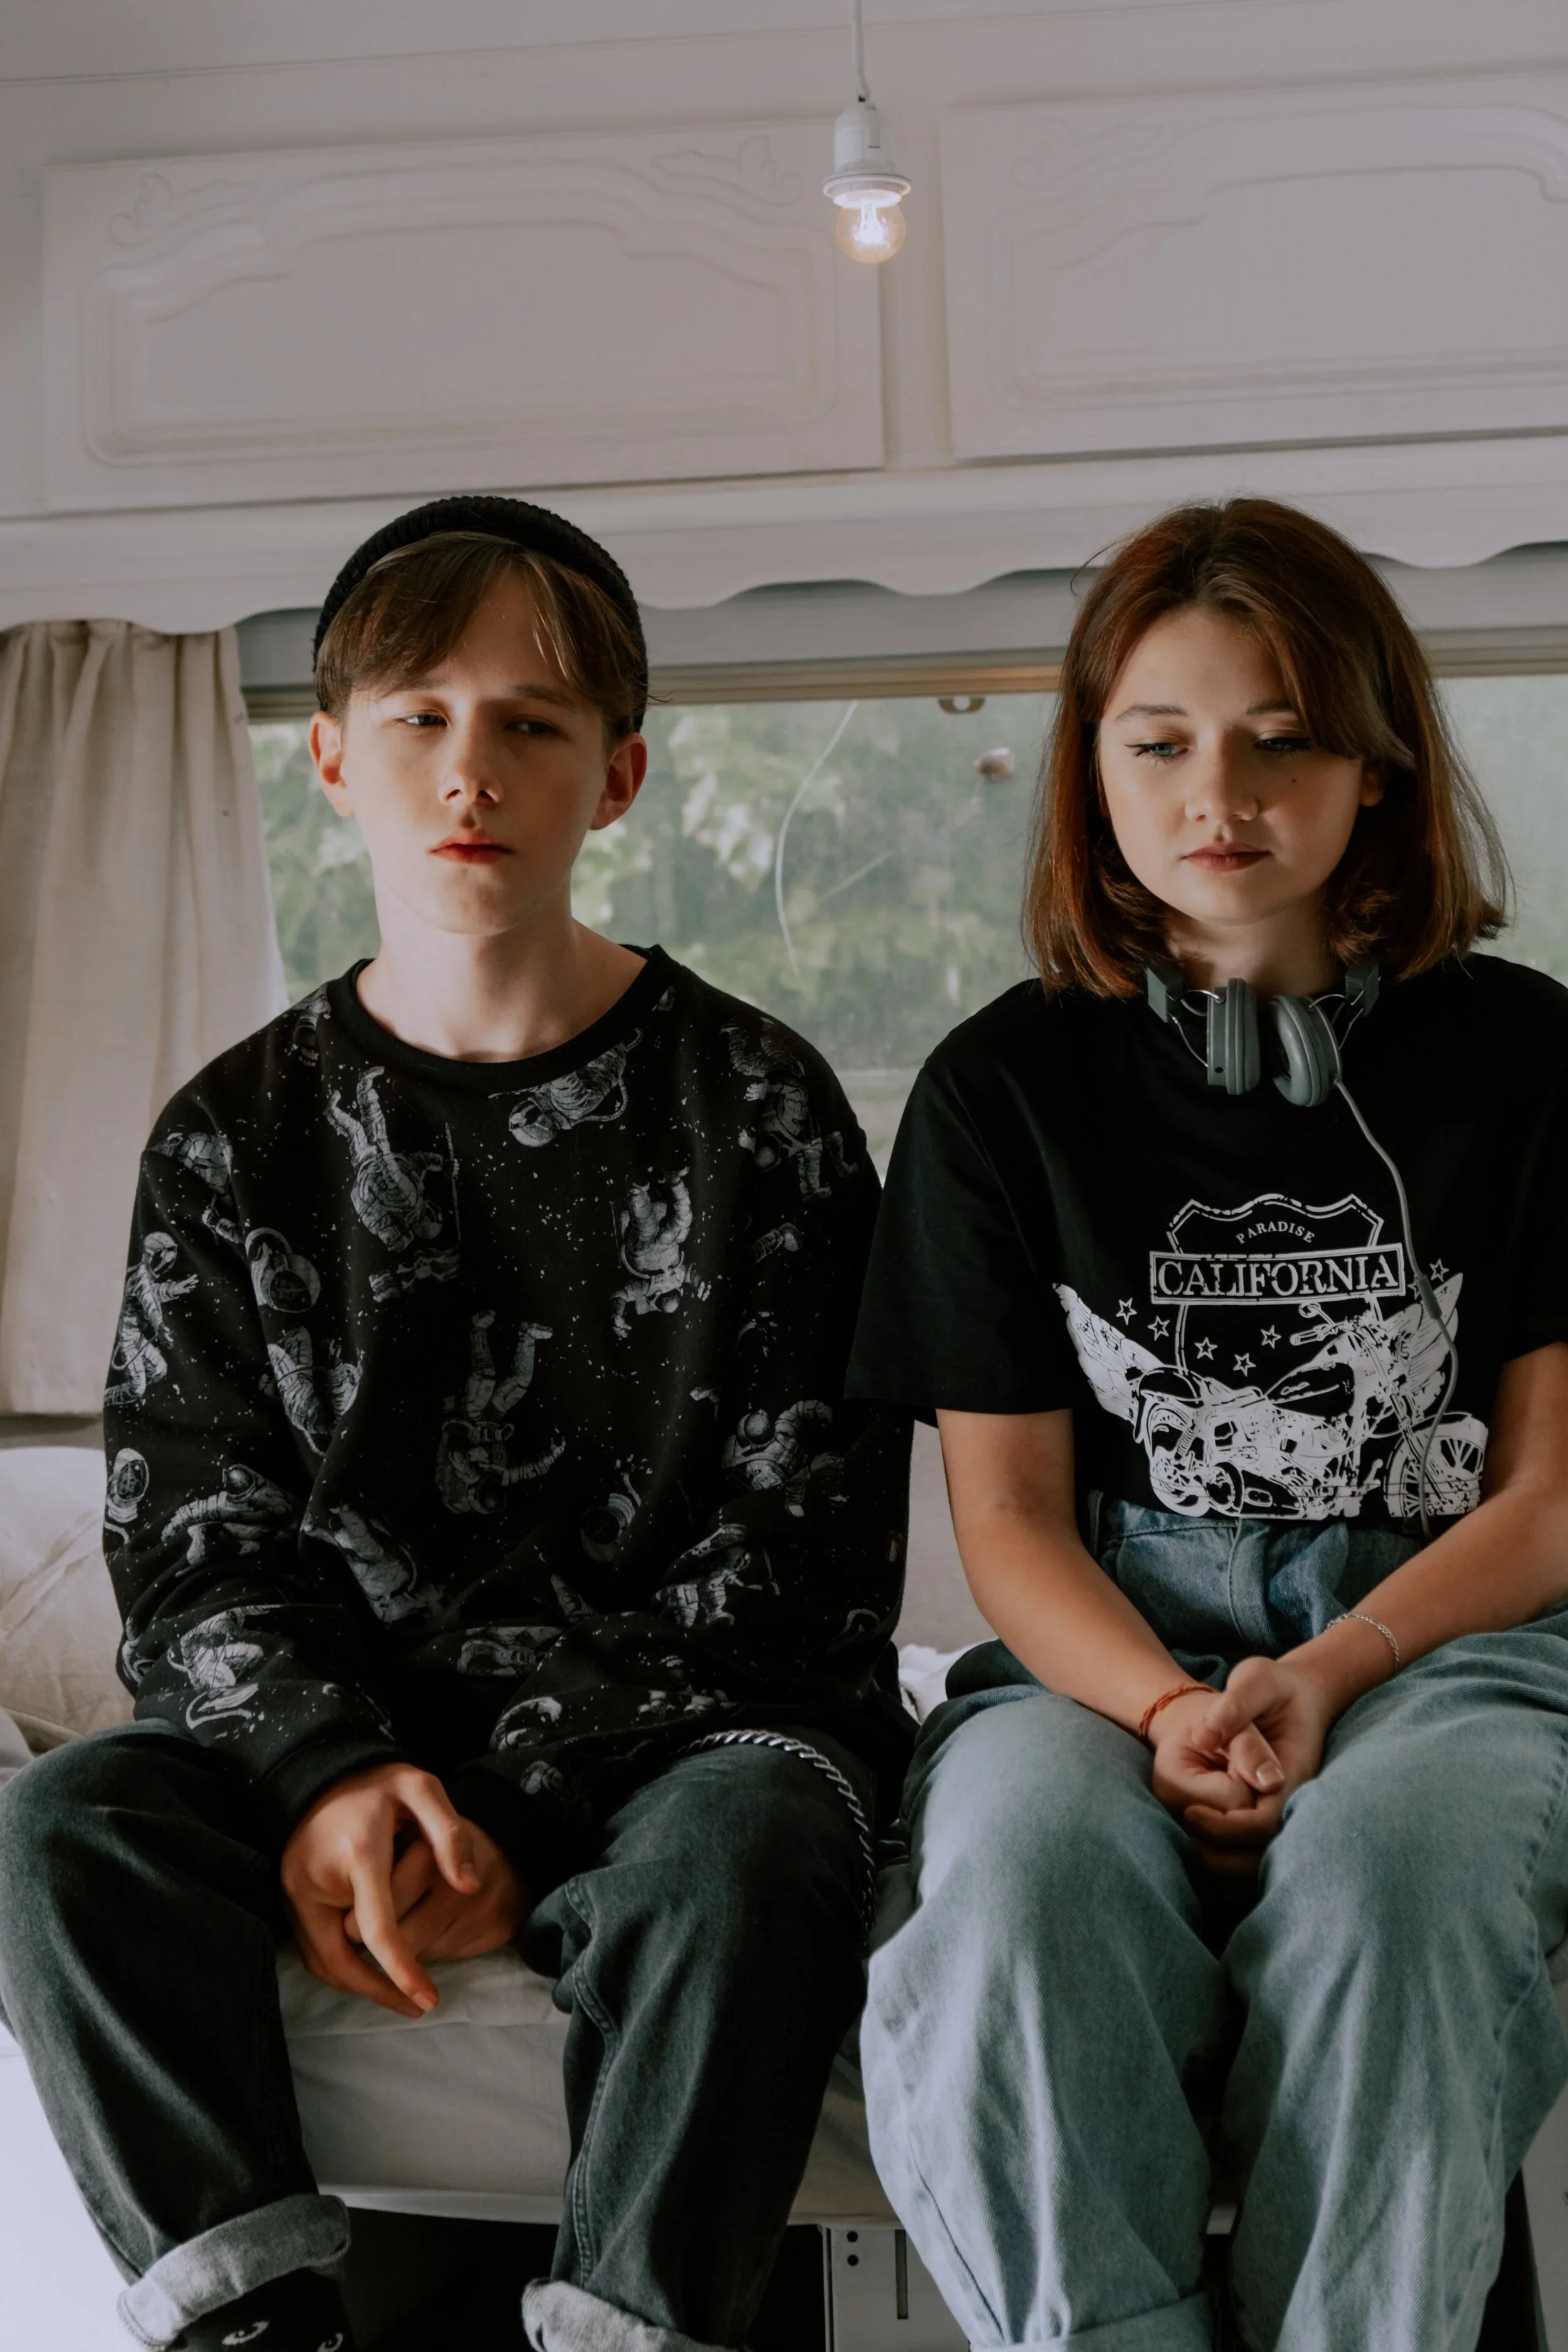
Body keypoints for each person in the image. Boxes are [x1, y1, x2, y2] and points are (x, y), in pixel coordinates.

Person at [0, 495, 912, 2352]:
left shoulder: (765, 1105)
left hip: (684, 1748)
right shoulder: (232, 1134)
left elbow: (808, 1548)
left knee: (753, 1847)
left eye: (530, 721)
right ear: (334, 758)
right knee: (63, 1820)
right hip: (347, 1748)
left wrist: (504, 1801)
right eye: (417, 715)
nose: (468, 769)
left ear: (620, 774)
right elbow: (194, 1536)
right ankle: (257, 2327)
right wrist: (332, 1779)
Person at [847, 497, 1568, 2352]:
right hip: (1105, 1653)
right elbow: (1009, 1523)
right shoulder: (996, 1091)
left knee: (1393, 1871)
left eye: (1280, 738)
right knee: (1014, 1888)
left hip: (1448, 1641)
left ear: (1376, 764)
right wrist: (1170, 1708)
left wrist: (1326, 1670)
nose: (1215, 795)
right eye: (1157, 743)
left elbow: (1549, 1501)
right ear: (1089, 770)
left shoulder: (1536, 1063)